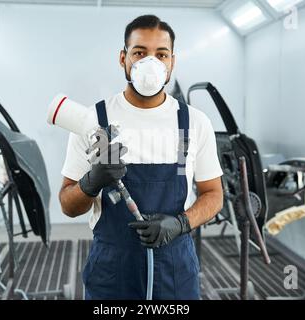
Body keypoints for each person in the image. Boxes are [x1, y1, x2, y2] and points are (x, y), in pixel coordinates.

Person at [59, 14, 224, 300]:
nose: (151, 64)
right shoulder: (94, 120)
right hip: (112, 274)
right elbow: (68, 206)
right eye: (139, 52)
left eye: (161, 54)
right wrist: (91, 182)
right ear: (123, 58)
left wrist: (181, 224)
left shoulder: (194, 122)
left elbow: (214, 195)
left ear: (172, 61)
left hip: (175, 271)